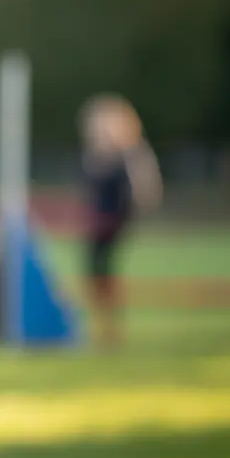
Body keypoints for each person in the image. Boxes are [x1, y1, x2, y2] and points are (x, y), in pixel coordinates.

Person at [78, 95, 161, 348]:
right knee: (95, 274)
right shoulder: (94, 157)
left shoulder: (127, 157)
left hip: (112, 225)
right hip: (97, 225)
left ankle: (111, 328)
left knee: (104, 273)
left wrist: (116, 221)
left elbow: (136, 196)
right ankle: (104, 326)